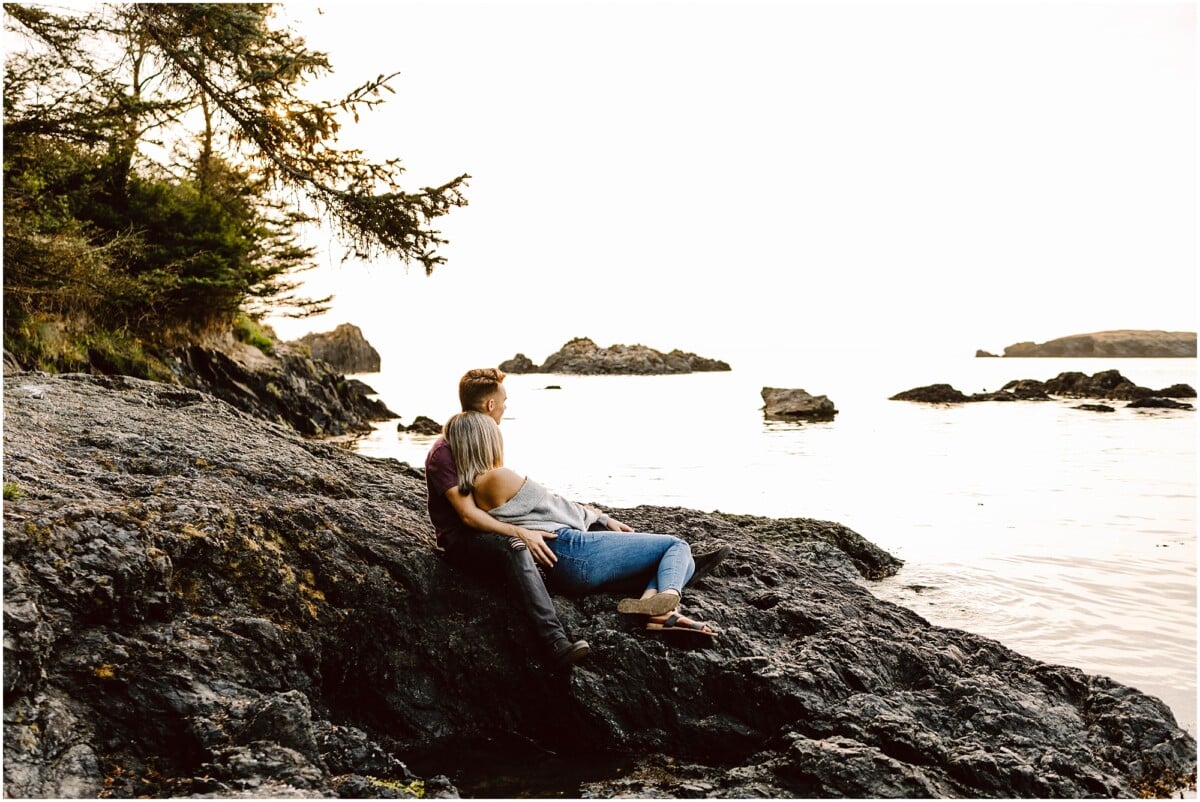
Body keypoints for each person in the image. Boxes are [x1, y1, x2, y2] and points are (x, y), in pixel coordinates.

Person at [444, 409, 724, 638]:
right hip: (572, 547)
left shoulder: (468, 491)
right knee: (676, 546)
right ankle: (670, 595)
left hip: (562, 568)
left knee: (672, 560)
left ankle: (656, 609)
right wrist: (599, 517)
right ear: (486, 439)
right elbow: (561, 509)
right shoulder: (498, 477)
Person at [425, 368, 589, 667]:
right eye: (504, 400)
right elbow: (469, 516)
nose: (504, 406)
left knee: (550, 538)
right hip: (462, 541)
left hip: (490, 529)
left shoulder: (481, 438)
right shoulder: (444, 452)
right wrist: (519, 532)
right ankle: (555, 643)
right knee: (516, 546)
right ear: (490, 405)